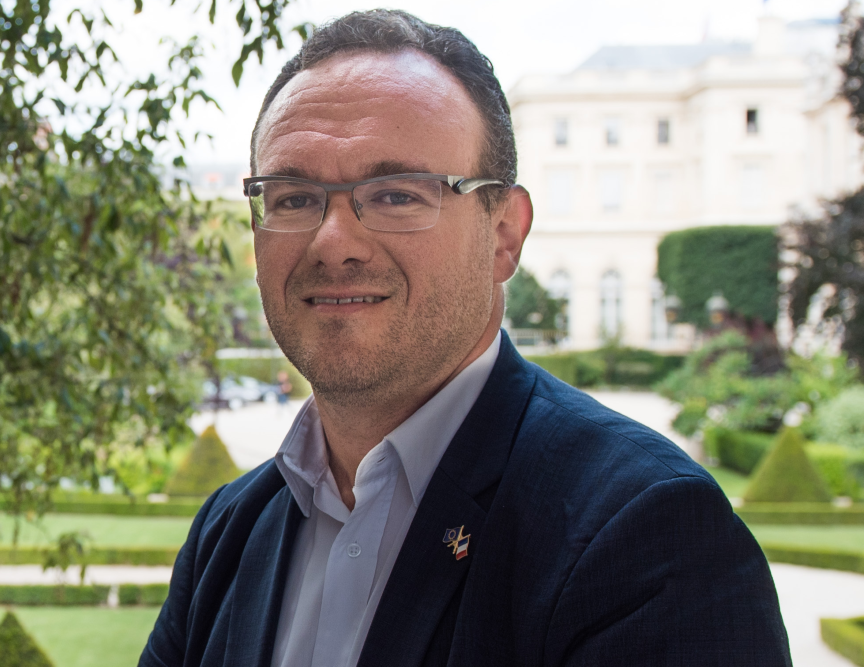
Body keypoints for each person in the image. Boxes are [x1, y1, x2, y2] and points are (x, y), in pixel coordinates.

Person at [138, 10, 791, 667]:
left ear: (504, 234)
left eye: (397, 194)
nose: (332, 242)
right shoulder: (228, 530)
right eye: (291, 197)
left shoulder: (649, 537)